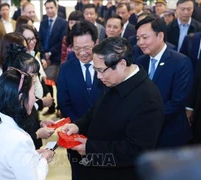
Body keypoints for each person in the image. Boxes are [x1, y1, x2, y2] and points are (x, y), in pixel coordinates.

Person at [61, 36, 164, 180]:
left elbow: (135, 151)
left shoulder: (147, 100)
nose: (98, 76)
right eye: (96, 70)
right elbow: (96, 110)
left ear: (121, 64)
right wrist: (78, 126)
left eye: (101, 70)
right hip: (95, 167)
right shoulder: (114, 80)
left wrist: (90, 149)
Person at [0, 68, 55, 179]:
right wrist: (44, 159)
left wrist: (32, 154)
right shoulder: (18, 139)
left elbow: (8, 157)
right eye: (33, 94)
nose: (35, 99)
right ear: (21, 99)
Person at [135, 16, 193, 148]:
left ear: (160, 36)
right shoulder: (140, 61)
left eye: (145, 37)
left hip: (170, 134)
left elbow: (178, 101)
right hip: (144, 136)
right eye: (138, 38)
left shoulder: (180, 62)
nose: (140, 42)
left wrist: (148, 119)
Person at [57, 20, 103, 180]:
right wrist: (78, 129)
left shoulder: (107, 66)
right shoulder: (65, 69)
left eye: (87, 48)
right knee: (79, 174)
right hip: (75, 137)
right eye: (77, 48)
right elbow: (64, 104)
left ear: (96, 43)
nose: (82, 53)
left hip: (104, 138)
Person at [38, 0, 67, 115]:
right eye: (47, 8)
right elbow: (39, 39)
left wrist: (50, 53)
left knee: (58, 84)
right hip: (44, 58)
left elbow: (61, 41)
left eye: (51, 8)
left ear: (57, 7)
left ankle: (60, 107)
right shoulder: (43, 22)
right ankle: (51, 106)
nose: (49, 10)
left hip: (56, 58)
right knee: (46, 82)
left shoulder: (63, 23)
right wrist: (44, 55)